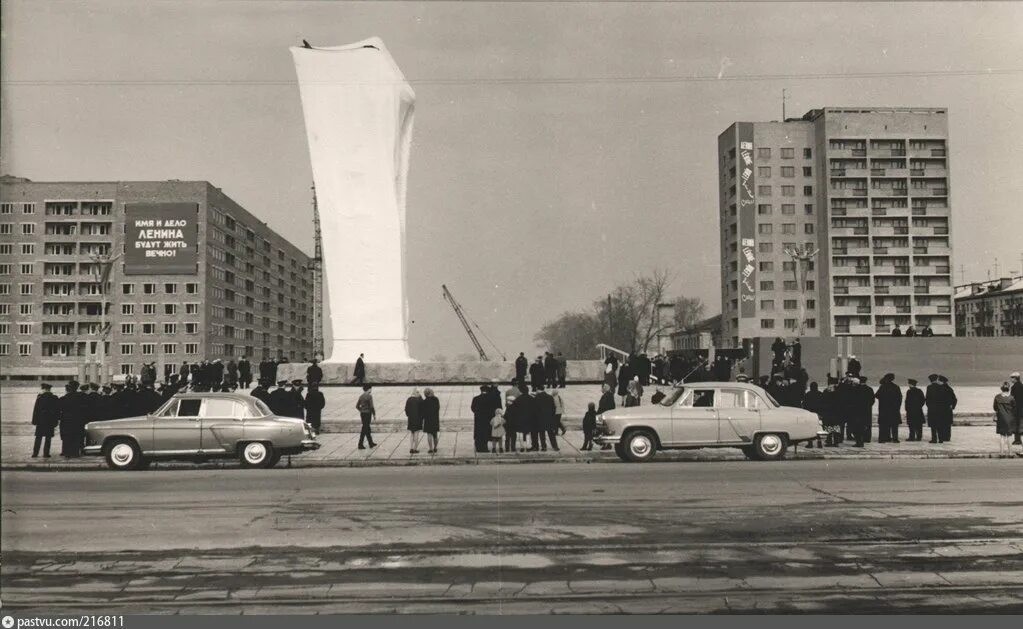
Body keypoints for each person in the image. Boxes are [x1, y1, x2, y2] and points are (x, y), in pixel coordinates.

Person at [31, 383, 60, 458]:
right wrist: (56, 421)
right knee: (48, 438)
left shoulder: (40, 397)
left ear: (43, 389)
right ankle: (46, 454)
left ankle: (35, 453)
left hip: (40, 421)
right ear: (49, 389)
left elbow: (36, 410)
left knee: (38, 437)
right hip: (50, 421)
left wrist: (34, 421)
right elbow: (57, 411)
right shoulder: (54, 398)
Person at [58, 381, 86, 458]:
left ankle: (67, 453)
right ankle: (75, 453)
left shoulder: (64, 398)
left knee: (68, 437)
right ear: (77, 388)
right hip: (78, 420)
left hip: (66, 420)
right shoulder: (81, 397)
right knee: (76, 436)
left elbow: (59, 409)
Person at [875, 373, 903, 443]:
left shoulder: (882, 387)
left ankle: (883, 438)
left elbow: (877, 395)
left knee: (883, 424)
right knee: (894, 425)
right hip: (894, 409)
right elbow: (900, 398)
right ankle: (895, 438)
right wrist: (897, 407)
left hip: (884, 409)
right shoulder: (896, 387)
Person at [994, 382, 1018, 457]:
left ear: (1001, 388)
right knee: (1009, 436)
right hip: (1010, 418)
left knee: (1002, 436)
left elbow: (995, 408)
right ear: (1008, 388)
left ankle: (1001, 453)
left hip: (1001, 418)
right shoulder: (1011, 398)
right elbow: (1015, 408)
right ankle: (1010, 453)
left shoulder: (997, 397)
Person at [532, 385, 559, 452]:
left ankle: (544, 447)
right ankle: (555, 446)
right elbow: (554, 408)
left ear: (538, 389)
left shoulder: (536, 398)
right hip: (549, 418)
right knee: (551, 433)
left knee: (542, 434)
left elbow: (535, 409)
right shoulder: (550, 397)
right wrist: (552, 416)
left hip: (540, 418)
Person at [471, 385, 494, 453]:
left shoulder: (476, 398)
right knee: (485, 434)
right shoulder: (490, 399)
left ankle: (478, 447)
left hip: (478, 419)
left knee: (478, 433)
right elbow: (491, 409)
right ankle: (484, 448)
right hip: (486, 419)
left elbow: (473, 408)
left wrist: (477, 413)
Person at [802, 382, 824, 448]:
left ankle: (810, 443)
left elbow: (804, 404)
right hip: (818, 414)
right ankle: (819, 443)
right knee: (819, 428)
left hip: (810, 414)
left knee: (810, 428)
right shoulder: (820, 394)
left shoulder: (808, 394)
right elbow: (823, 404)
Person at [356, 384, 376, 449]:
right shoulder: (369, 396)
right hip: (368, 414)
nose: (371, 390)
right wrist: (374, 414)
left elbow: (357, 406)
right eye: (370, 389)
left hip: (362, 414)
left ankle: (370, 443)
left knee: (366, 427)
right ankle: (360, 444)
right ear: (369, 389)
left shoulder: (361, 396)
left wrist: (361, 410)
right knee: (365, 428)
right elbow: (372, 406)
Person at [597, 384, 616, 450]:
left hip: (605, 415)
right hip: (608, 414)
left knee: (604, 431)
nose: (601, 389)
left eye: (602, 388)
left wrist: (598, 413)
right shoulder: (610, 395)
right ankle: (607, 444)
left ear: (604, 389)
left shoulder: (606, 396)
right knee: (606, 430)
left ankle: (606, 444)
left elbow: (603, 406)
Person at [422, 388, 440, 454]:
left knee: (429, 434)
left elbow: (423, 412)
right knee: (435, 435)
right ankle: (435, 447)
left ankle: (430, 448)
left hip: (427, 420)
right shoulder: (436, 400)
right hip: (435, 419)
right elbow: (438, 408)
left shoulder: (424, 401)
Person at [1010, 372, 1023, 445]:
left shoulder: (1014, 387)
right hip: (1021, 408)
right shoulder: (1022, 386)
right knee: (1020, 424)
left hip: (1016, 409)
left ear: (1015, 378)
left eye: (1012, 378)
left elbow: (1012, 399)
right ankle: (1018, 439)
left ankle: (1017, 440)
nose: (1011, 379)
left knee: (1016, 424)